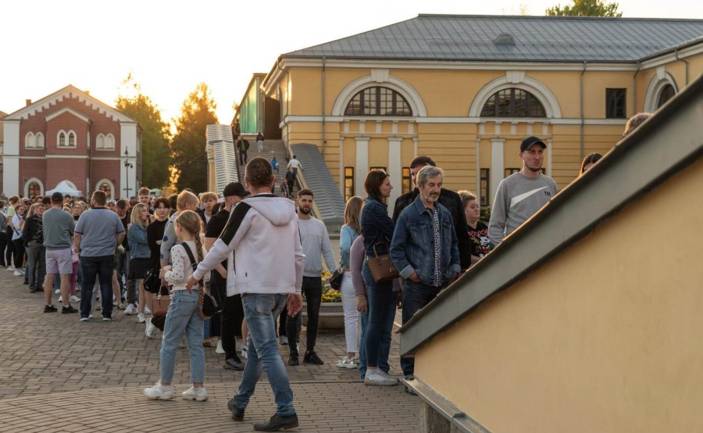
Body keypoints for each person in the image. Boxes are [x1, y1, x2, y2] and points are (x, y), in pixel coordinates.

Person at [187, 157, 304, 431]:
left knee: (265, 349)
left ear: (247, 183)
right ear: (273, 181)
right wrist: (295, 290)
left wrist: (197, 273)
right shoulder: (290, 209)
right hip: (279, 288)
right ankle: (239, 402)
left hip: (255, 288)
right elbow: (298, 254)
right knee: (255, 348)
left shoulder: (245, 209)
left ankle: (285, 409)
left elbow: (222, 247)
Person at [391, 165, 460, 379]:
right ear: (420, 186)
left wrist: (455, 267)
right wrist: (409, 272)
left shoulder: (445, 213)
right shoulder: (409, 214)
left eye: (439, 185)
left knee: (439, 328)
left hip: (442, 283)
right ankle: (411, 373)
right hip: (417, 285)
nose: (436, 189)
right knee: (413, 328)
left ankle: (434, 372)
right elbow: (396, 249)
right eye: (431, 185)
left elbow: (454, 245)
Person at [144, 210, 209, 402]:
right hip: (198, 296)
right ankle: (198, 387)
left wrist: (166, 273)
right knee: (195, 343)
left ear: (179, 228)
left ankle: (165, 386)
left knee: (169, 342)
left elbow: (179, 276)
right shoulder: (202, 248)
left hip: (181, 296)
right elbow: (207, 274)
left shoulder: (178, 249)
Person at [286, 189, 337, 366]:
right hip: (295, 277)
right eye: (304, 200)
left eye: (309, 200)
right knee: (293, 314)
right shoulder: (291, 224)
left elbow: (327, 251)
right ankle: (293, 352)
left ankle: (310, 351)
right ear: (297, 201)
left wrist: (334, 272)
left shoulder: (319, 225)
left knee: (314, 316)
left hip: (315, 277)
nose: (307, 203)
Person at [393, 156, 471, 270]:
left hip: (448, 272)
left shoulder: (452, 199)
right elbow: (396, 241)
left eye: (420, 173)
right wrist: (406, 271)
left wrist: (461, 267)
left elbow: (461, 235)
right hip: (416, 274)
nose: (415, 178)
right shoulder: (403, 202)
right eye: (413, 174)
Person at [204, 182, 249, 371]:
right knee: (228, 313)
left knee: (241, 311)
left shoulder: (244, 216)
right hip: (224, 274)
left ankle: (242, 346)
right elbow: (209, 247)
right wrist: (223, 272)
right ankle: (229, 351)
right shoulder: (217, 219)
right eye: (241, 197)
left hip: (242, 272)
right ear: (231, 198)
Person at [360, 169, 398, 386]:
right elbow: (393, 231)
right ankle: (372, 369)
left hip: (374, 266)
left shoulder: (373, 206)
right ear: (377, 186)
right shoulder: (374, 208)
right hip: (377, 267)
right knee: (376, 321)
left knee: (379, 320)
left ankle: (373, 368)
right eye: (386, 184)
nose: (390, 187)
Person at [487, 136, 558, 246]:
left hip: (545, 252)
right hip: (517, 253)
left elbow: (557, 220)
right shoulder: (507, 184)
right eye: (532, 152)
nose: (537, 156)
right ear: (521, 155)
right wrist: (505, 252)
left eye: (540, 152)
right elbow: (495, 226)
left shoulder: (550, 184)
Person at [74, 190, 125, 321]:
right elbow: (121, 233)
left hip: (88, 254)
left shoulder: (85, 215)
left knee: (87, 285)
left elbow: (77, 234)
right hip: (107, 254)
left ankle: (85, 313)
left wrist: (78, 248)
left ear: (93, 200)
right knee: (106, 284)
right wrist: (115, 244)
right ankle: (106, 314)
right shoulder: (113, 215)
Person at [336, 196, 363, 369]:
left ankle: (351, 355)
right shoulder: (365, 230)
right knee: (363, 317)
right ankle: (363, 354)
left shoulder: (346, 229)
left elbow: (345, 248)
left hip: (349, 275)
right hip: (364, 275)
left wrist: (346, 262)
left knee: (350, 317)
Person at [42, 192, 78, 313]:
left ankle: (48, 304)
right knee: (64, 277)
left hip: (49, 249)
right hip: (63, 248)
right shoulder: (66, 215)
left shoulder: (45, 214)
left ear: (51, 201)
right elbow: (73, 231)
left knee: (49, 276)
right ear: (62, 201)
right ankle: (66, 305)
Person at [127, 203, 151, 325]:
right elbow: (146, 240)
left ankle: (144, 308)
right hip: (139, 259)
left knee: (147, 286)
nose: (146, 213)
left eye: (146, 210)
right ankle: (140, 311)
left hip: (148, 258)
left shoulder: (146, 226)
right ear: (137, 214)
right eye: (143, 211)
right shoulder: (134, 228)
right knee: (142, 286)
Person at [458, 191, 490, 265]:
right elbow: (464, 255)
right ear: (463, 210)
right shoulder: (460, 229)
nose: (476, 209)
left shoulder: (483, 226)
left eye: (477, 206)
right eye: (472, 207)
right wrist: (485, 260)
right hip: (471, 270)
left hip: (488, 266)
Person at [23, 202, 46, 293]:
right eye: (38, 209)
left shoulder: (46, 219)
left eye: (42, 209)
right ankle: (32, 286)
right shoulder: (30, 219)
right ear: (35, 210)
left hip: (43, 244)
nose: (40, 210)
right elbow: (25, 232)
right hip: (33, 244)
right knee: (32, 265)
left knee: (42, 266)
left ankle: (40, 285)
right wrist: (27, 243)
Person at [10, 202, 26, 277]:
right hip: (16, 238)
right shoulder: (15, 217)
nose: (22, 211)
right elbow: (17, 227)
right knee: (18, 253)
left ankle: (20, 268)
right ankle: (16, 269)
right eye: (20, 209)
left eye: (23, 209)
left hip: (21, 237)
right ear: (16, 210)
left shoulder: (21, 216)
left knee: (21, 253)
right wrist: (23, 221)